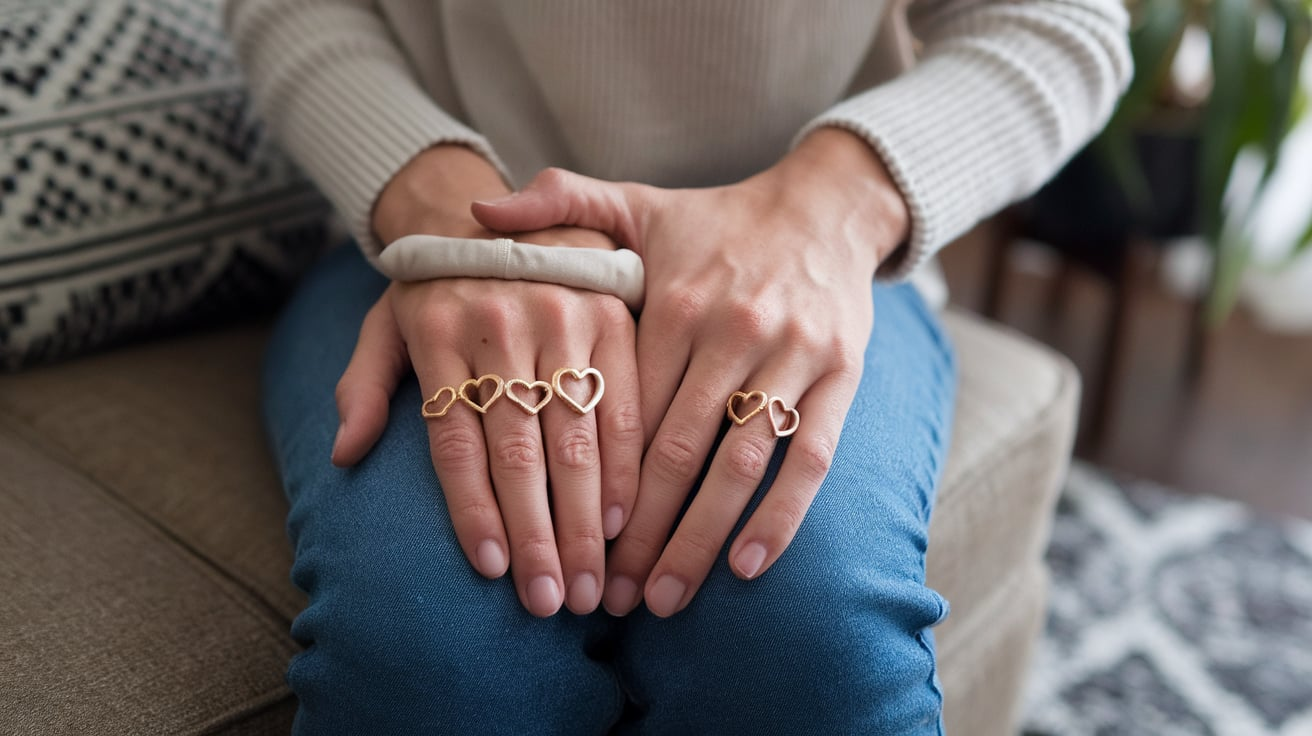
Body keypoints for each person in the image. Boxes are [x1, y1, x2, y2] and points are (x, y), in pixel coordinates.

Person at [226, 1, 1130, 732]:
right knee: (429, 655)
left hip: (799, 257)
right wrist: (442, 208)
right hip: (453, 231)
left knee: (806, 649)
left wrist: (828, 206)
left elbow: (1062, 22)